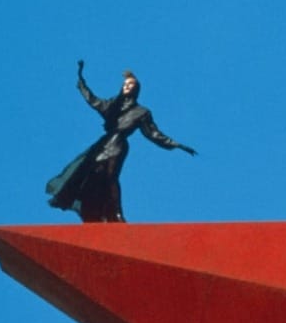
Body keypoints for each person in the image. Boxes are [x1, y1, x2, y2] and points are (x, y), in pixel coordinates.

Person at [46, 60, 196, 222]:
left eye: (130, 84)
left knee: (111, 176)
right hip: (102, 145)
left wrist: (176, 144)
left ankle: (117, 213)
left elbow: (153, 133)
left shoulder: (141, 112)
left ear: (136, 89)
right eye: (125, 84)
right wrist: (81, 82)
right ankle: (92, 211)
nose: (126, 86)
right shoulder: (112, 105)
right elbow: (93, 100)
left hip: (118, 145)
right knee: (91, 177)